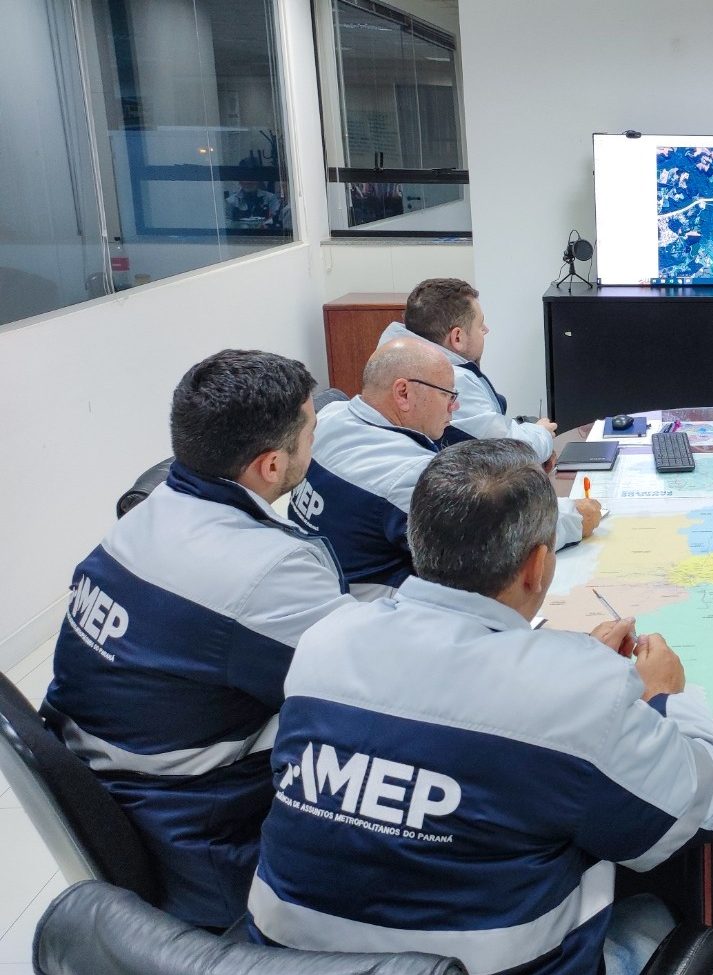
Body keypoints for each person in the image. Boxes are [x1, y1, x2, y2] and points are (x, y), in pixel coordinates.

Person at [248, 439, 713, 975]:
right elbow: (705, 808)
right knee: (651, 914)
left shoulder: (325, 641)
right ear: (537, 566)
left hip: (285, 966)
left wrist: (577, 681)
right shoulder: (576, 696)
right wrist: (667, 695)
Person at [43, 350, 352, 929]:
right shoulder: (266, 571)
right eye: (312, 429)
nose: (318, 437)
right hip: (199, 838)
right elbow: (367, 683)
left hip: (120, 784)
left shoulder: (143, 516)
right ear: (269, 465)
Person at [381, 277, 602, 544]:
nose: (486, 329)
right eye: (479, 323)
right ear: (457, 337)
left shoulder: (395, 359)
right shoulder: (442, 378)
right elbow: (508, 454)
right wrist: (570, 518)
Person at [288, 339, 452, 599]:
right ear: (404, 393)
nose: (454, 407)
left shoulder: (328, 416)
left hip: (313, 583)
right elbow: (472, 562)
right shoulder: (413, 474)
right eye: (448, 394)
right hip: (375, 614)